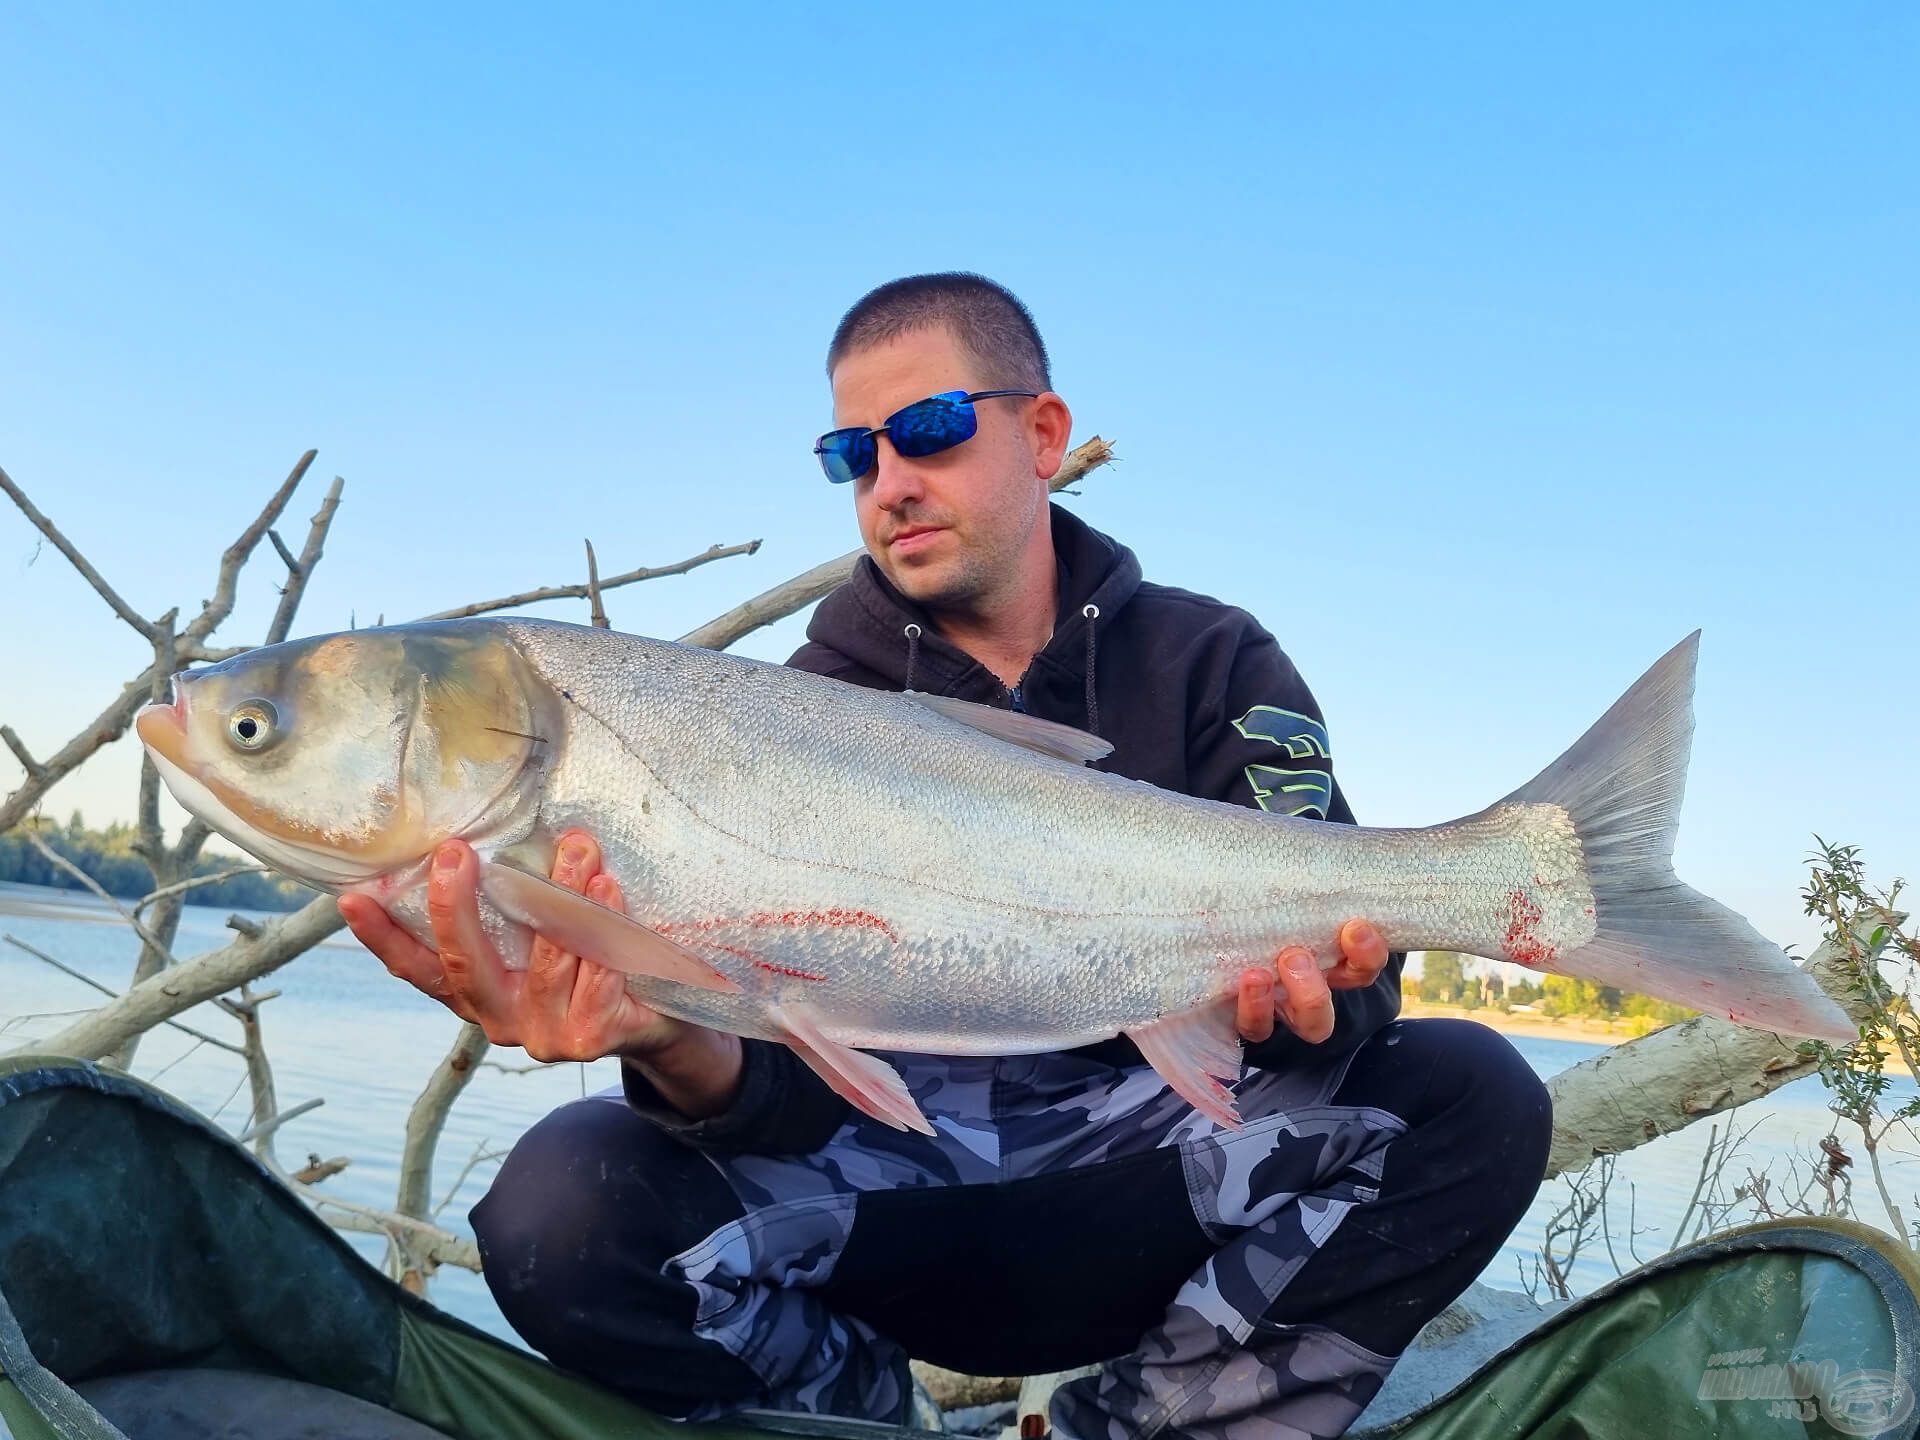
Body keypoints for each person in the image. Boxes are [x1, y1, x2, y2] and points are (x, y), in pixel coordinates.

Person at [341, 273, 1553, 1440]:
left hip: (1158, 1182)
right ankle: (861, 1423)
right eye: (852, 455)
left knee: (1477, 1092)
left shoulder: (1214, 660)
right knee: (562, 1200)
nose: (889, 483)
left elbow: (1359, 990)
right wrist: (667, 1037)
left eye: (925, 429)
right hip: (891, 1203)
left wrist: (1311, 1007)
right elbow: (785, 1091)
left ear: (1044, 432)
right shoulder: (792, 712)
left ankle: (1143, 1429)